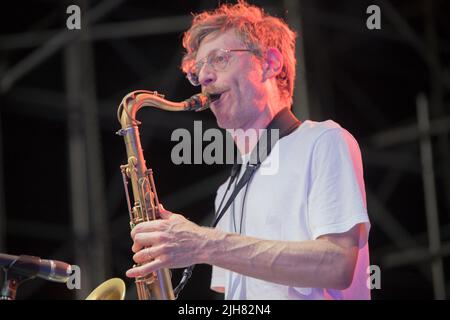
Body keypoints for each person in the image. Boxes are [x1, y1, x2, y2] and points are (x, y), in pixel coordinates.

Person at [125, 1, 371, 300]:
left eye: (219, 59)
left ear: (269, 63)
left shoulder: (322, 141)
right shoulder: (228, 190)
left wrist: (202, 243)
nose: (203, 78)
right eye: (197, 70)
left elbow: (337, 264)